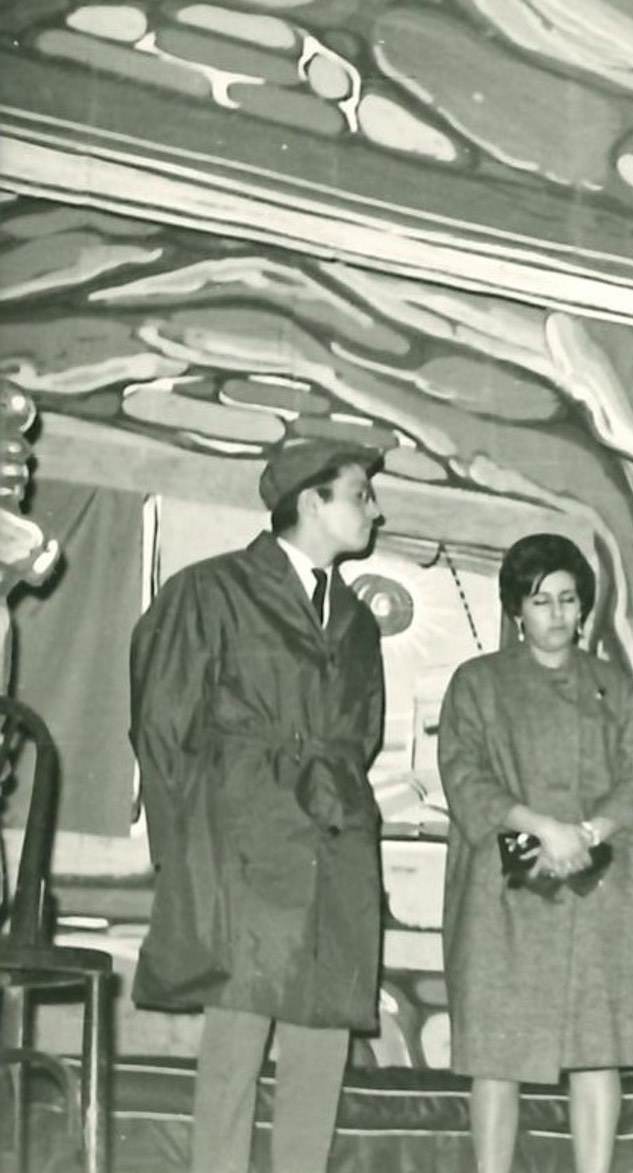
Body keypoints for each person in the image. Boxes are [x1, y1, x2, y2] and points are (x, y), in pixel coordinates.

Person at [128, 439, 386, 1173]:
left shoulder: (357, 621)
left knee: (322, 1040)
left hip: (335, 845)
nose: (376, 509)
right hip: (242, 849)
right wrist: (187, 858)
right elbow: (162, 730)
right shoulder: (210, 591)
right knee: (235, 1048)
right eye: (360, 493)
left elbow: (361, 735)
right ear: (311, 501)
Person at [437, 533, 633, 1173]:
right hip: (502, 894)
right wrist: (538, 828)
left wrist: (588, 833)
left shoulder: (615, 687)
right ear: (516, 609)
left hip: (600, 887)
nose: (557, 613)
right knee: (496, 1056)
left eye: (568, 599)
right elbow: (464, 774)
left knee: (598, 1050)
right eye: (541, 601)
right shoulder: (477, 683)